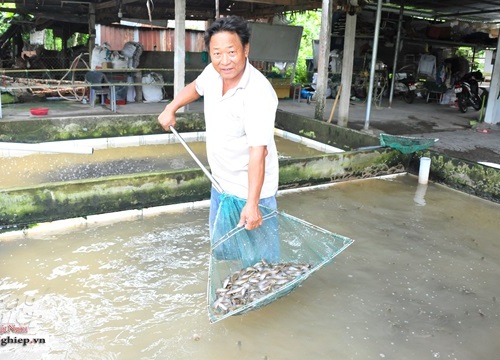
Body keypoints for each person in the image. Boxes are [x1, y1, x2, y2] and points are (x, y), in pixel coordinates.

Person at [157, 16, 279, 239]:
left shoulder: (258, 93)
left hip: (252, 193)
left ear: (245, 49)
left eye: (231, 52)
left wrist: (252, 204)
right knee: (223, 250)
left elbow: (258, 152)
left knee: (260, 262)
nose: (225, 61)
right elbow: (195, 87)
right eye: (217, 53)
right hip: (220, 184)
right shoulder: (213, 73)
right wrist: (171, 108)